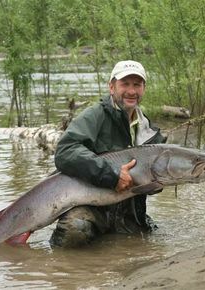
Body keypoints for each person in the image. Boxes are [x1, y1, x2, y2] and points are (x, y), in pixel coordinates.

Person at [51, 60, 167, 247]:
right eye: (125, 84)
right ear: (111, 87)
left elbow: (154, 186)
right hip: (91, 208)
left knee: (141, 248)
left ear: (144, 89)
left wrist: (158, 180)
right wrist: (111, 176)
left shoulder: (151, 132)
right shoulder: (95, 116)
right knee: (75, 231)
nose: (131, 91)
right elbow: (66, 150)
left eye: (137, 85)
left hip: (129, 214)